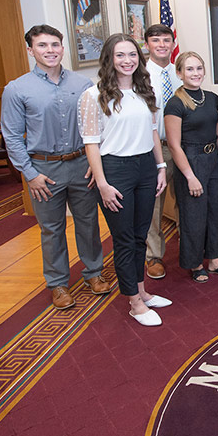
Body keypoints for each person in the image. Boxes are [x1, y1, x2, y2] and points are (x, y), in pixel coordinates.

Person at [1, 24, 109, 310]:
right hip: (43, 170)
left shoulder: (82, 85)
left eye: (54, 45)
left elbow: (95, 126)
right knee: (52, 229)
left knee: (88, 223)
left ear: (63, 47)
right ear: (31, 50)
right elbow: (12, 136)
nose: (50, 51)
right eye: (42, 46)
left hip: (81, 165)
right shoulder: (17, 89)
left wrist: (93, 163)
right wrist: (30, 174)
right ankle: (58, 284)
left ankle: (94, 273)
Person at [79, 33, 171, 327]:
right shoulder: (93, 95)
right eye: (120, 55)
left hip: (146, 165)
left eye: (132, 54)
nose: (127, 61)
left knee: (140, 235)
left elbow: (153, 132)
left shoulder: (144, 91)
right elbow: (91, 143)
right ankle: (132, 301)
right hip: (115, 169)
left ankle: (142, 291)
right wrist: (103, 183)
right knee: (124, 239)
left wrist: (160, 167)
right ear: (110, 58)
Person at [164, 51, 218, 282]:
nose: (195, 73)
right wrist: (190, 176)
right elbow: (174, 145)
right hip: (190, 162)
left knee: (215, 212)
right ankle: (195, 264)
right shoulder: (175, 104)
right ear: (179, 73)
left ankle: (214, 259)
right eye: (190, 69)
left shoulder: (212, 98)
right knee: (194, 216)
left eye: (199, 68)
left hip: (212, 159)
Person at [143, 24, 183, 281]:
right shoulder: (138, 75)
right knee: (153, 206)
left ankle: (190, 247)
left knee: (187, 199)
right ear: (146, 44)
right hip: (155, 150)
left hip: (183, 147)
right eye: (155, 40)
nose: (162, 44)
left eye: (166, 40)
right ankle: (153, 256)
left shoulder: (180, 72)